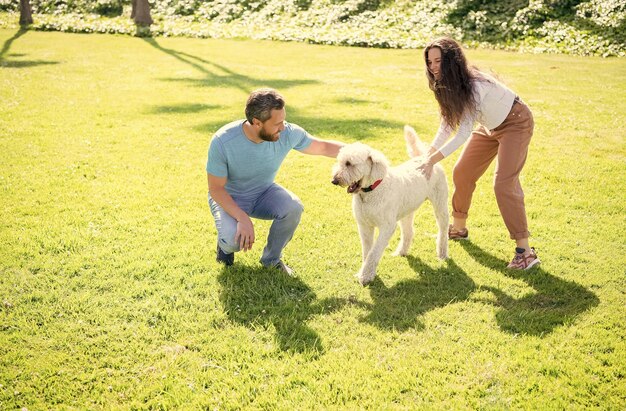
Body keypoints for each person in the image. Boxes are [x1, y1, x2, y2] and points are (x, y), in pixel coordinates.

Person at [417, 37, 540, 270]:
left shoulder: (475, 87)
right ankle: (459, 228)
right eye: (429, 62)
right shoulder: (449, 86)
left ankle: (525, 252)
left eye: (438, 61)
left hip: (516, 122)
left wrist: (432, 161)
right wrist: (428, 153)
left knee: (504, 184)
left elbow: (462, 134)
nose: (433, 67)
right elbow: (447, 125)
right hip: (490, 126)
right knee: (462, 172)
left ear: (452, 62)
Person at [207, 88, 344, 275]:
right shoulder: (223, 140)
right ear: (257, 123)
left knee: (293, 207)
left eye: (283, 120)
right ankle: (225, 248)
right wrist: (242, 217)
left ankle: (271, 259)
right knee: (232, 240)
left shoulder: (287, 132)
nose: (283, 127)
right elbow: (216, 189)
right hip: (230, 198)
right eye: (277, 123)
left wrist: (362, 152)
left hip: (264, 192)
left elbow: (323, 147)